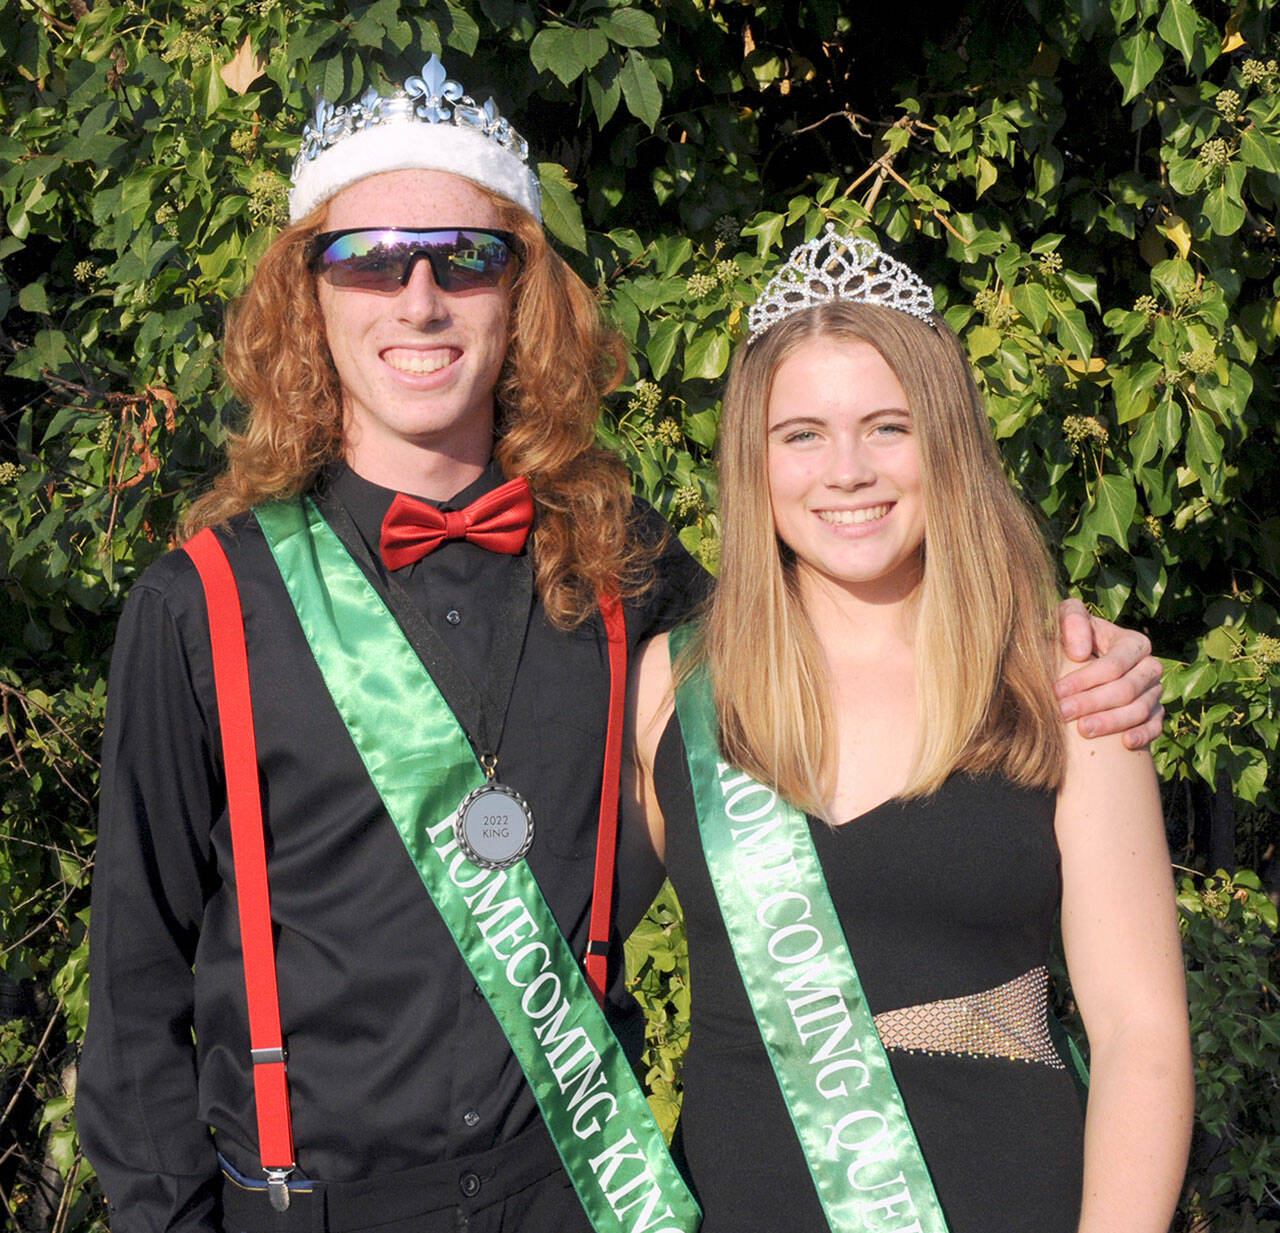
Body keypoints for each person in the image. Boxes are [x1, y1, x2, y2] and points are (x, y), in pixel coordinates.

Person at [77, 49, 1166, 1233]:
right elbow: (134, 997)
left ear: (522, 295)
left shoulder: (626, 572)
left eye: (468, 258)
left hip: (581, 1204)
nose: (419, 298)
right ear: (309, 297)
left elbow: (848, 607)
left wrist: (1076, 655)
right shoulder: (201, 606)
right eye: (369, 258)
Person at [624, 229, 1193, 1233]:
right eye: (799, 434)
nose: (845, 471)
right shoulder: (673, 687)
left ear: (946, 441)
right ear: (753, 464)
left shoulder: (1064, 685)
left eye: (886, 428)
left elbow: (1141, 1037)